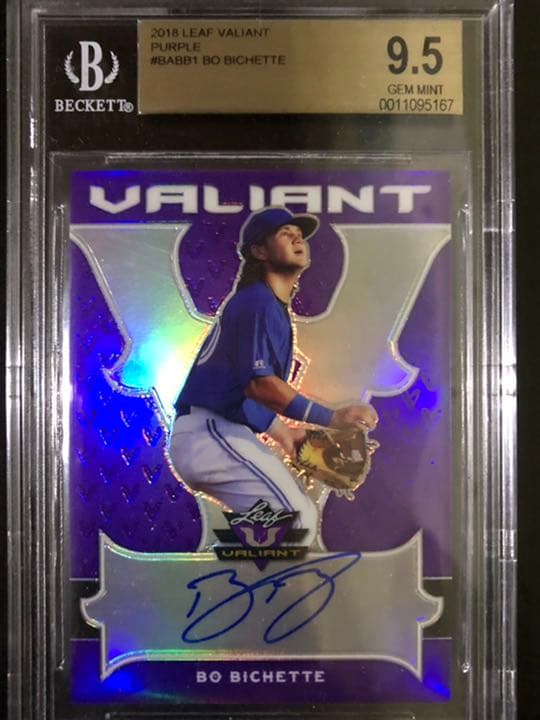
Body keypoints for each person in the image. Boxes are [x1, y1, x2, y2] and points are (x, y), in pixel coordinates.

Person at [168, 206, 378, 547]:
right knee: (296, 522)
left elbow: (243, 392)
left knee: (286, 528)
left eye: (300, 235)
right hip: (210, 433)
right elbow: (261, 386)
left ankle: (237, 567)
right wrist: (332, 418)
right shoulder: (258, 303)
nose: (297, 239)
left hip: (216, 431)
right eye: (285, 234)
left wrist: (287, 436)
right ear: (259, 251)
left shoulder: (266, 305)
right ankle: (231, 572)